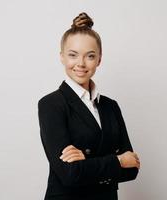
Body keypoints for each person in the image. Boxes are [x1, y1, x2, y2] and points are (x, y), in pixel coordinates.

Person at [37, 12, 140, 200]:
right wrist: (117, 160)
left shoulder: (111, 106)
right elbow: (69, 174)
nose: (81, 64)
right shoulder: (50, 104)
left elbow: (132, 168)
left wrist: (86, 161)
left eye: (90, 56)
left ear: (99, 59)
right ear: (62, 57)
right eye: (73, 55)